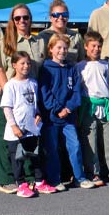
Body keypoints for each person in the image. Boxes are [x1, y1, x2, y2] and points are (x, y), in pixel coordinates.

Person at [0, 4, 38, 192]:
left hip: (30, 95)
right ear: (12, 21)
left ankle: (28, 178)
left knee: (28, 139)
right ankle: (6, 179)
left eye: (25, 17)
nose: (22, 21)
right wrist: (7, 90)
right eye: (17, 18)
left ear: (30, 19)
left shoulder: (37, 42)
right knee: (8, 138)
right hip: (11, 95)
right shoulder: (7, 42)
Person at [77, 31, 109, 187]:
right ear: (86, 47)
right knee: (90, 141)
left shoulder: (105, 65)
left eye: (99, 46)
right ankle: (93, 173)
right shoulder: (80, 66)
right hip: (89, 107)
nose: (96, 49)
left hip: (106, 107)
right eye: (93, 46)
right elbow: (78, 89)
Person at [38, 34, 85, 191]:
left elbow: (77, 92)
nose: (62, 51)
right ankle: (54, 180)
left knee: (75, 146)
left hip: (68, 117)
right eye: (58, 47)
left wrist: (68, 108)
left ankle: (79, 177)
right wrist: (57, 109)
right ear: (51, 49)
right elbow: (45, 92)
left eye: (65, 48)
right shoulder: (45, 68)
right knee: (52, 149)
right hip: (51, 117)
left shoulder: (72, 68)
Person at [0, 51, 50, 198]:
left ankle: (39, 182)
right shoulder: (10, 86)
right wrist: (14, 126)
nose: (26, 66)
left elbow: (34, 104)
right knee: (18, 159)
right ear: (14, 65)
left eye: (28, 63)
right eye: (22, 63)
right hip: (16, 131)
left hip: (31, 128)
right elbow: (7, 108)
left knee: (34, 156)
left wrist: (38, 114)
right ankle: (21, 185)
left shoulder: (33, 83)